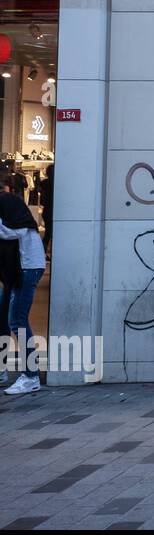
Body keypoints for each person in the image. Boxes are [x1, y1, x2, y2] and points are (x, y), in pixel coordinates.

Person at [0, 180, 46, 395]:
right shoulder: (17, 223)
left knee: (17, 319)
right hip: (21, 273)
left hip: (27, 271)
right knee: (9, 317)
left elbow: (9, 232)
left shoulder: (18, 226)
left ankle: (31, 375)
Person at [39, 166, 53, 252]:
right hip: (52, 209)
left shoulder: (44, 183)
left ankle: (43, 250)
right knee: (50, 232)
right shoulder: (56, 182)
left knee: (48, 232)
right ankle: (46, 250)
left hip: (46, 210)